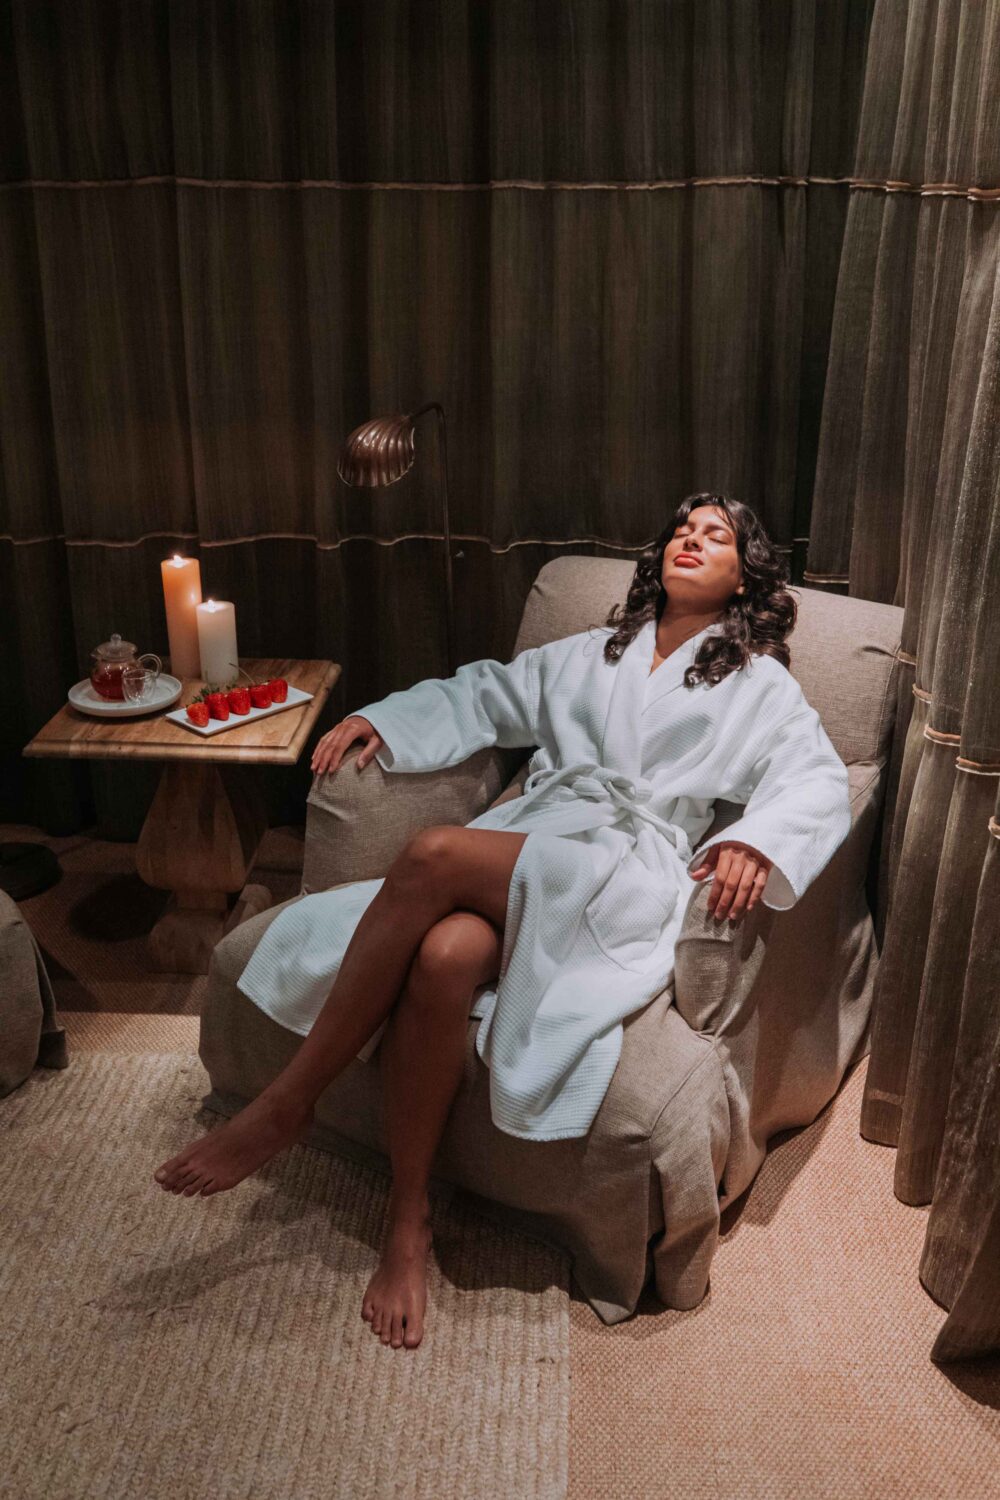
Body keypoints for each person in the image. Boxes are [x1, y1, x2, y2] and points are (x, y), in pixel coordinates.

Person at [153, 491, 851, 1353]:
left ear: (746, 575)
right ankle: (407, 1224)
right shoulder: (597, 650)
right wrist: (387, 716)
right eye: (680, 528)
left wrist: (755, 840)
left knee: (434, 855)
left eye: (715, 537)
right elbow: (487, 693)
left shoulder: (759, 683)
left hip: (627, 869)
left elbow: (816, 778)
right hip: (543, 841)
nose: (689, 540)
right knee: (446, 956)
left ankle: (287, 1101)